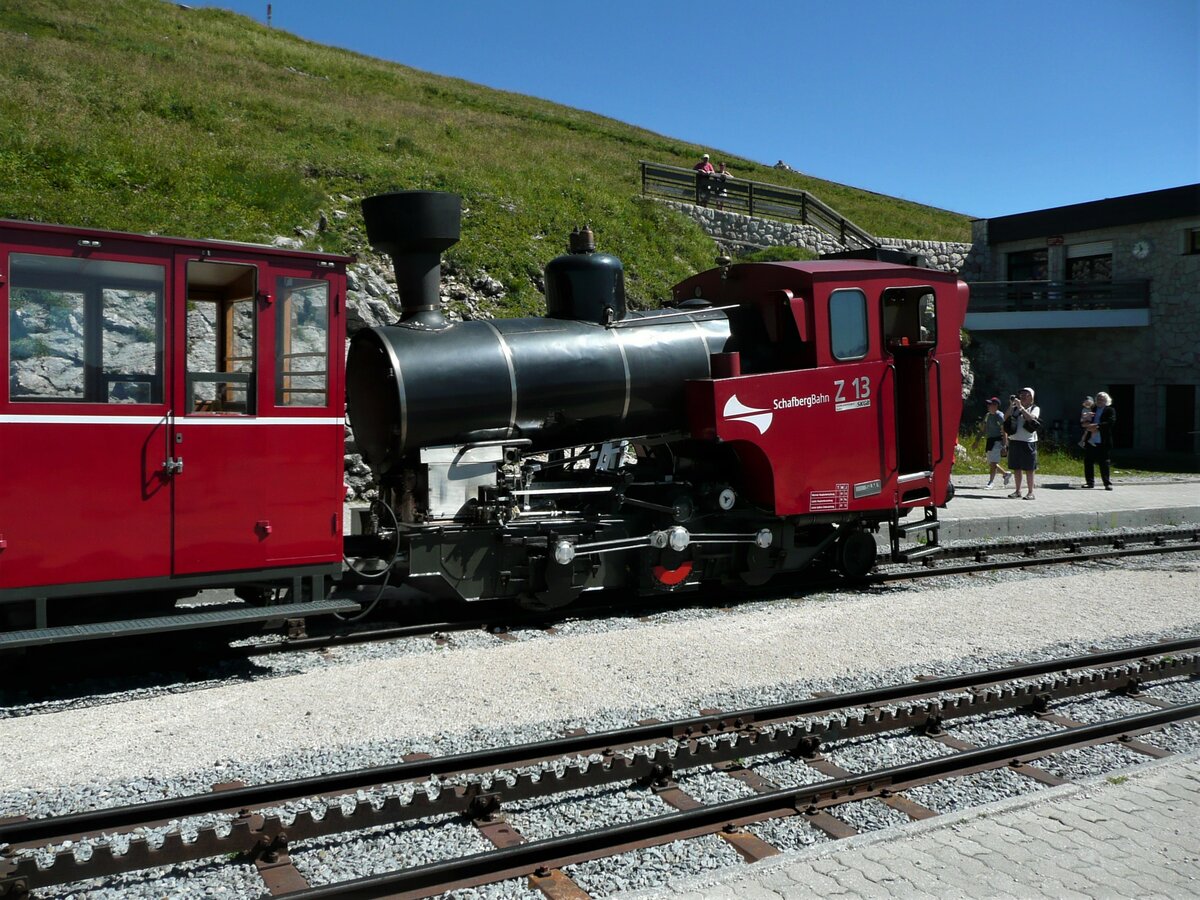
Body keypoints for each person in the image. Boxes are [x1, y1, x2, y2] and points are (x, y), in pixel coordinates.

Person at [1004, 387, 1041, 500]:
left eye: (1026, 395)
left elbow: (1032, 419)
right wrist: (1012, 405)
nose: (1023, 396)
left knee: (1029, 468)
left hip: (1028, 442)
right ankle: (1018, 491)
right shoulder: (1015, 408)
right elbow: (1005, 418)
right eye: (1021, 394)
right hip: (1015, 440)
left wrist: (1021, 408)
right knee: (1017, 468)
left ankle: (1030, 492)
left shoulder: (1035, 408)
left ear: (1032, 398)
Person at [1082, 390, 1116, 490]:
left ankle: (1107, 483)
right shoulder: (1093, 408)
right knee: (1088, 461)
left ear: (1107, 400)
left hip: (1103, 440)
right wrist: (1086, 422)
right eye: (1098, 399)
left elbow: (1111, 422)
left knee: (1104, 462)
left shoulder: (1110, 410)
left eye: (1102, 399)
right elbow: (1085, 420)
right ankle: (1089, 482)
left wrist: (1097, 426)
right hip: (1091, 439)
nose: (1100, 400)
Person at [981, 396, 1012, 489]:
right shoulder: (988, 415)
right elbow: (984, 428)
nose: (988, 406)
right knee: (992, 463)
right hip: (990, 441)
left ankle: (991, 482)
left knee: (993, 463)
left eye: (990, 404)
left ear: (995, 405)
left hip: (998, 441)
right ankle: (1006, 474)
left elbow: (1005, 430)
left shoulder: (999, 415)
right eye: (988, 404)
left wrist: (1004, 445)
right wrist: (977, 440)